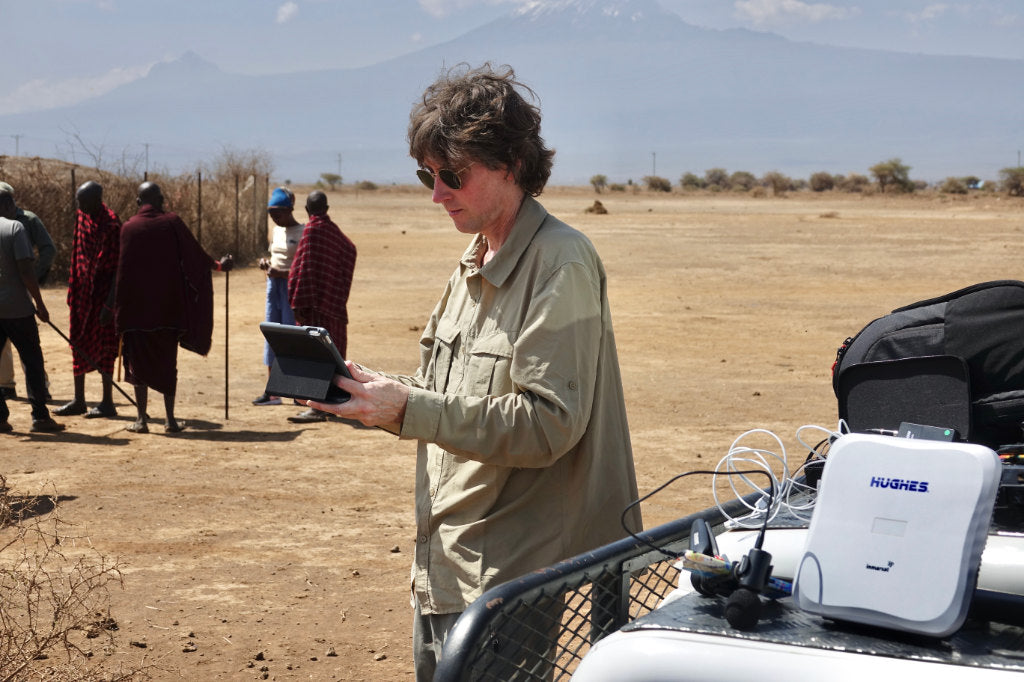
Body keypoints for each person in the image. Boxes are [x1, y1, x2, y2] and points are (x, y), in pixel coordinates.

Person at [306, 63, 642, 679]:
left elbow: (548, 424)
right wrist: (368, 394)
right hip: (446, 562)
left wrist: (409, 409)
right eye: (426, 175)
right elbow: (447, 396)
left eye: (452, 175)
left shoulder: (559, 262)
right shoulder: (474, 259)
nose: (436, 194)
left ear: (509, 164)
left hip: (508, 577)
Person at [114, 181, 233, 434]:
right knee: (168, 363)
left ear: (138, 202)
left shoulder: (128, 228)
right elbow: (195, 257)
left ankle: (142, 421)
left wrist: (119, 311)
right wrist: (220, 266)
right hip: (168, 310)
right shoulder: (172, 222)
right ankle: (169, 419)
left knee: (136, 364)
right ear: (161, 201)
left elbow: (122, 273)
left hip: (136, 312)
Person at [285, 190, 356, 423]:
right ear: (327, 209)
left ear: (307, 210)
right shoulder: (334, 232)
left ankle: (317, 408)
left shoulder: (312, 231)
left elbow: (300, 270)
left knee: (316, 356)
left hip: (315, 308)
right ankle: (330, 405)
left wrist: (297, 300)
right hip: (333, 307)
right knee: (332, 357)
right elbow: (350, 249)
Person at [52, 181, 121, 418]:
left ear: (95, 201)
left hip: (102, 296)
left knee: (105, 348)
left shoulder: (111, 225)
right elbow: (77, 254)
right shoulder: (82, 217)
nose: (78, 206)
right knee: (77, 343)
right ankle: (79, 400)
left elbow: (117, 269)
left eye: (82, 202)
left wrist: (109, 305)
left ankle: (107, 402)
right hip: (81, 294)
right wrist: (72, 290)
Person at [0, 187, 63, 433]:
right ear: (6, 206)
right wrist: (40, 303)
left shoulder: (22, 222)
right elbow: (26, 272)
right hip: (18, 309)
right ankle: (40, 416)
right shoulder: (15, 228)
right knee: (33, 361)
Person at [252, 187, 305, 406]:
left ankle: (296, 391)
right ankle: (272, 391)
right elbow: (275, 257)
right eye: (271, 214)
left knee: (292, 338)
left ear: (290, 209)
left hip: (292, 288)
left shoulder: (303, 232)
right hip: (273, 287)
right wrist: (267, 265)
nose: (275, 217)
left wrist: (282, 273)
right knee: (272, 335)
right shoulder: (276, 232)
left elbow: (304, 268)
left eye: (278, 213)